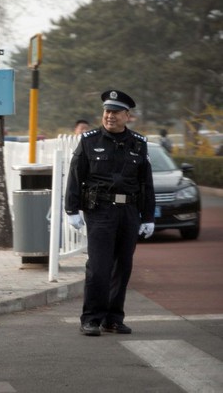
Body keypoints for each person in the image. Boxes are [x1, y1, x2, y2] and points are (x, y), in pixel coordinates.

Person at [65, 89, 155, 337]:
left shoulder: (139, 143)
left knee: (123, 266)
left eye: (115, 112)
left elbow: (145, 183)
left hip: (129, 211)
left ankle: (113, 319)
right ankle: (92, 318)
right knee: (99, 267)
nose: (109, 116)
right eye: (106, 111)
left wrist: (148, 216)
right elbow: (75, 177)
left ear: (128, 116)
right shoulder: (89, 141)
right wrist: (71, 209)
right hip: (100, 211)